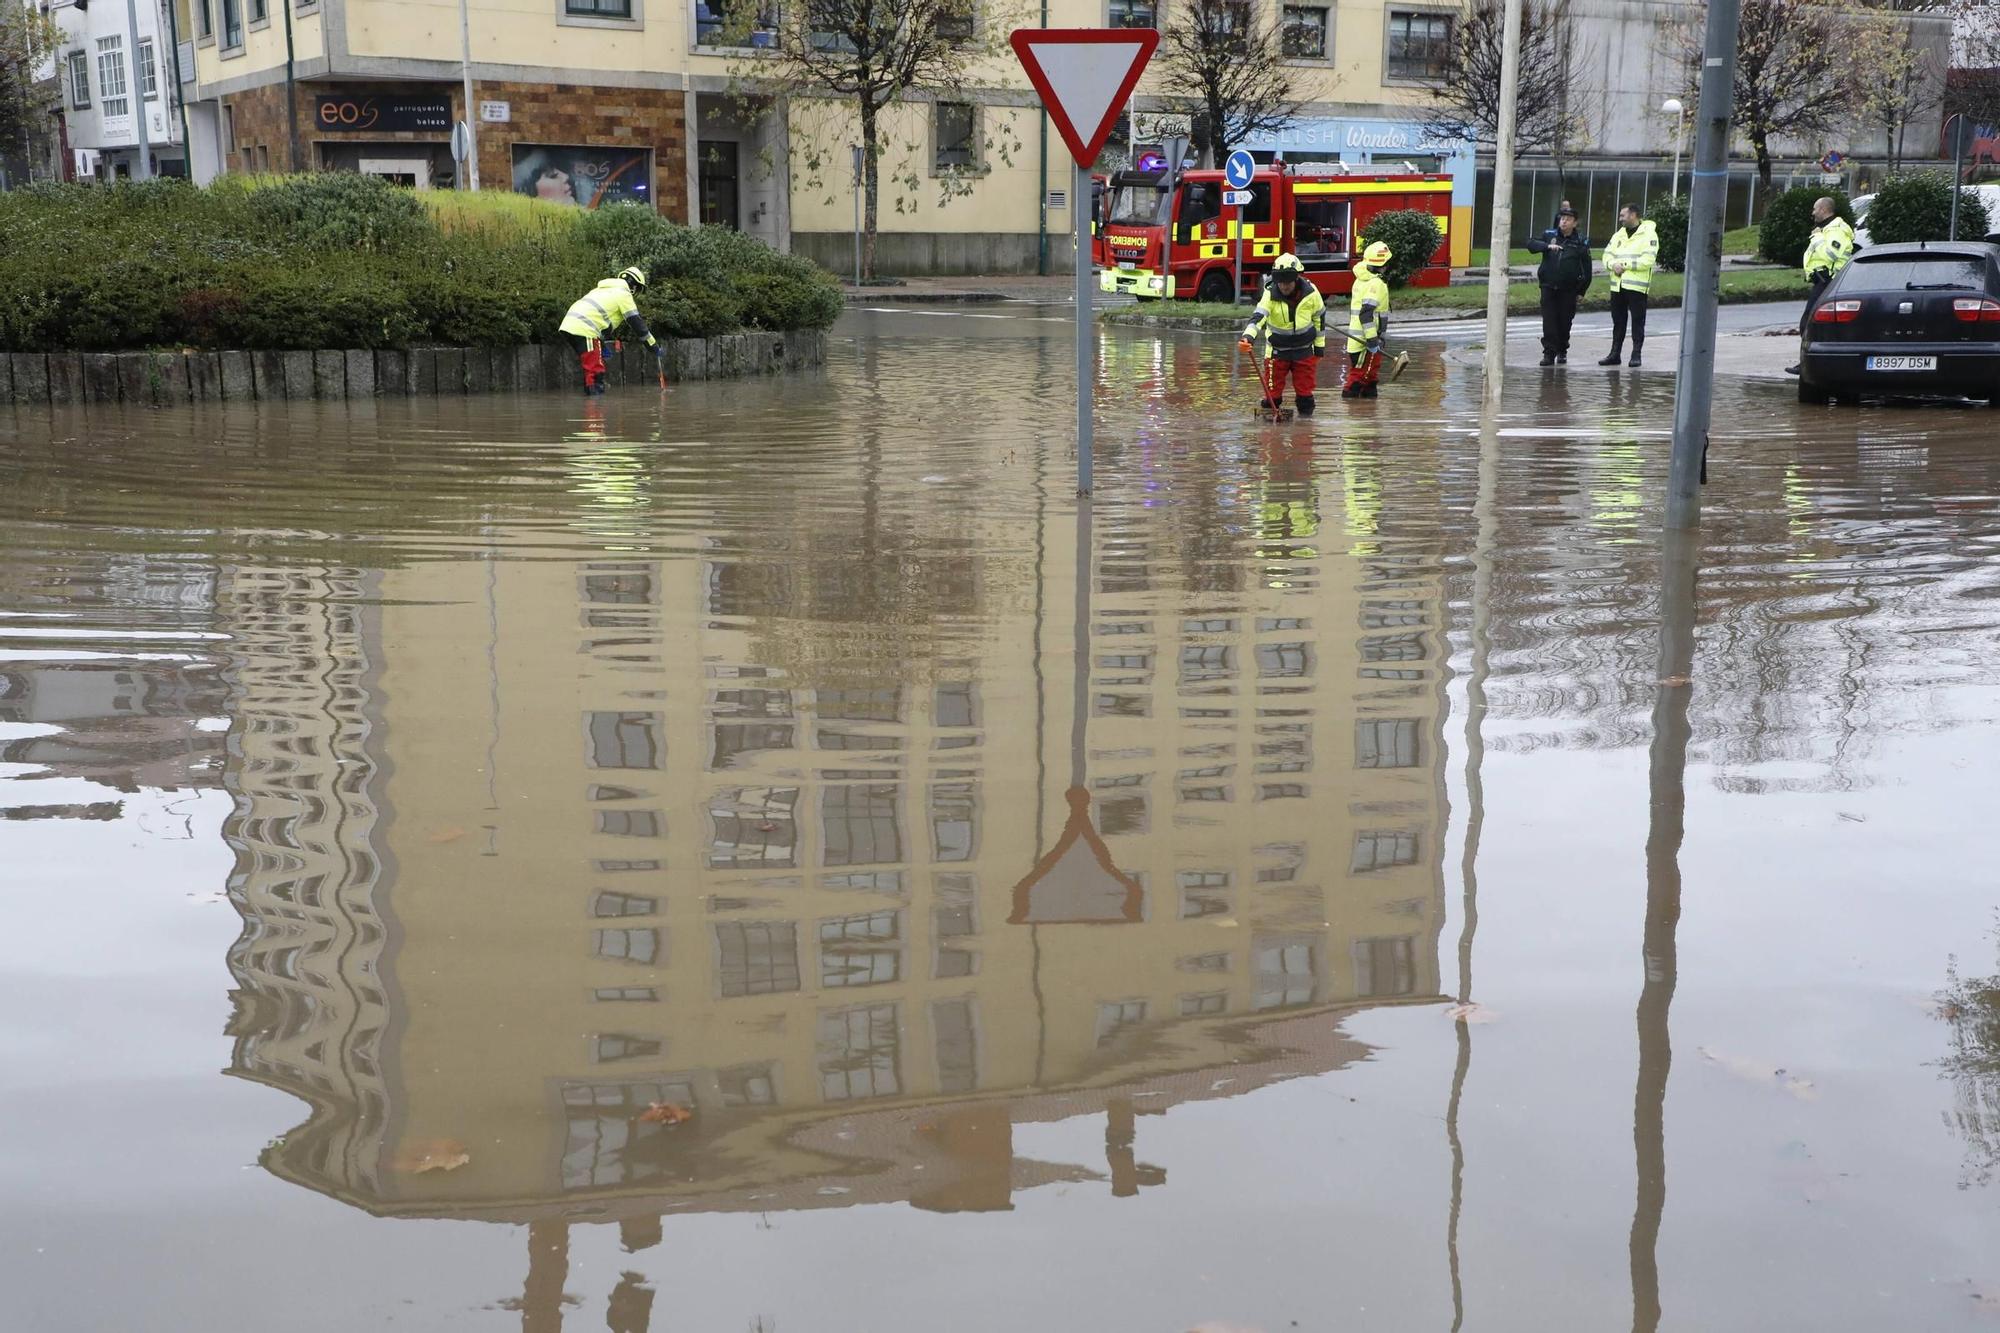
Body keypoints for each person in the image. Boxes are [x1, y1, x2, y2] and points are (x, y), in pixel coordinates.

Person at [1239, 253, 1327, 415]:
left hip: (1304, 351)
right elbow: (1258, 316)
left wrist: (1319, 347)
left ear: (1296, 278)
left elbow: (1319, 319)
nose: (1284, 286)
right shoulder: (1269, 295)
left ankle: (1305, 430)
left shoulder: (1312, 293)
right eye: (1281, 282)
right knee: (1272, 398)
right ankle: (1270, 433)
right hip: (1276, 353)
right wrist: (1248, 336)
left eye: (1288, 282)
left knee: (1305, 397)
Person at [559, 266, 662, 395]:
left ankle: (591, 406)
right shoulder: (623, 294)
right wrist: (653, 346)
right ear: (634, 286)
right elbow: (637, 324)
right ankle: (595, 411)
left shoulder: (601, 290)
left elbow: (597, 319)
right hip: (585, 329)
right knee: (595, 372)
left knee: (591, 369)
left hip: (570, 325)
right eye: (638, 289)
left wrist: (601, 345)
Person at [1786, 196, 1855, 376]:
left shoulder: (1835, 230)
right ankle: (1811, 363)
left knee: (1808, 323)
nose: (1813, 212)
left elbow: (1830, 255)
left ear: (1824, 210)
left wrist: (1816, 238)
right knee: (1812, 323)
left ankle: (1808, 365)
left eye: (1815, 209)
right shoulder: (1828, 229)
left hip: (1828, 281)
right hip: (1822, 280)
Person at [1526, 206, 1591, 366]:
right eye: (1562, 218)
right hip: (1548, 286)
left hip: (1569, 289)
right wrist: (1547, 247)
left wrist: (1582, 290)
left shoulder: (1581, 241)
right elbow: (1530, 244)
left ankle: (1562, 349)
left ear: (1575, 223)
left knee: (1564, 321)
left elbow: (1587, 268)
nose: (1564, 222)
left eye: (1568, 219)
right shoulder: (1550, 235)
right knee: (1549, 321)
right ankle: (1549, 353)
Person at [1599, 202, 1658, 367]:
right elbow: (1606, 256)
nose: (1620, 219)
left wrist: (1623, 265)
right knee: (1618, 321)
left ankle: (1636, 354)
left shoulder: (1649, 235)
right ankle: (1615, 354)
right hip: (1617, 286)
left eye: (1623, 215)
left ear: (1633, 215)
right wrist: (1612, 265)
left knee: (1637, 322)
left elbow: (1648, 260)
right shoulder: (1618, 235)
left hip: (1637, 287)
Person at [1343, 241, 1394, 399]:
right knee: (1358, 379)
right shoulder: (1376, 284)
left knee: (1370, 379)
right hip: (1366, 342)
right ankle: (1352, 413)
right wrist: (1372, 339)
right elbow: (1366, 314)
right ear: (1383, 264)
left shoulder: (1360, 280)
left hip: (1357, 341)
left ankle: (1368, 412)